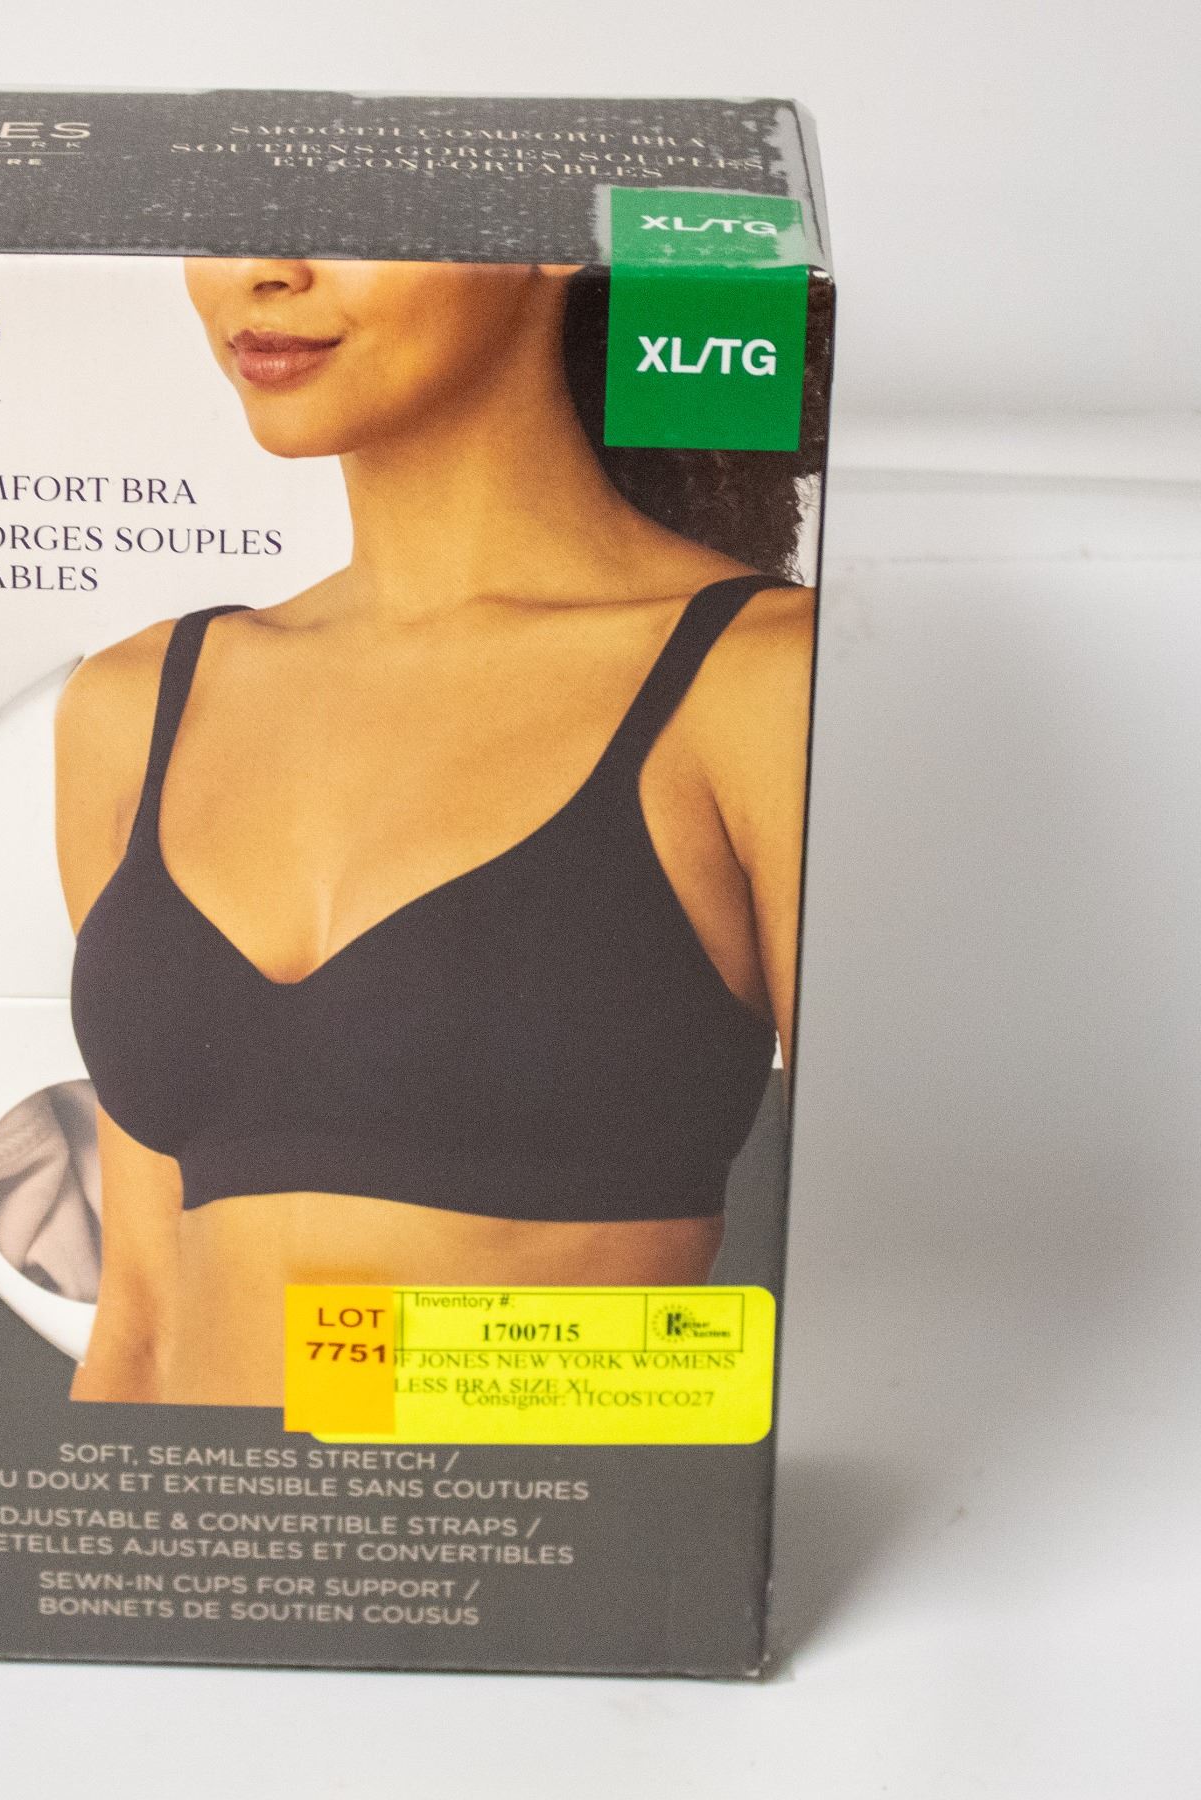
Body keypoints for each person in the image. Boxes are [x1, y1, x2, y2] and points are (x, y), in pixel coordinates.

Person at [54, 257, 815, 1406]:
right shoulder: (136, 701)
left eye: (344, 219)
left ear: (545, 240)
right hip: (198, 1515)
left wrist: (403, 1407)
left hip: (555, 1516)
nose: (263, 272)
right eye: (223, 221)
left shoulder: (761, 681)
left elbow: (887, 1268)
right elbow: (143, 1322)